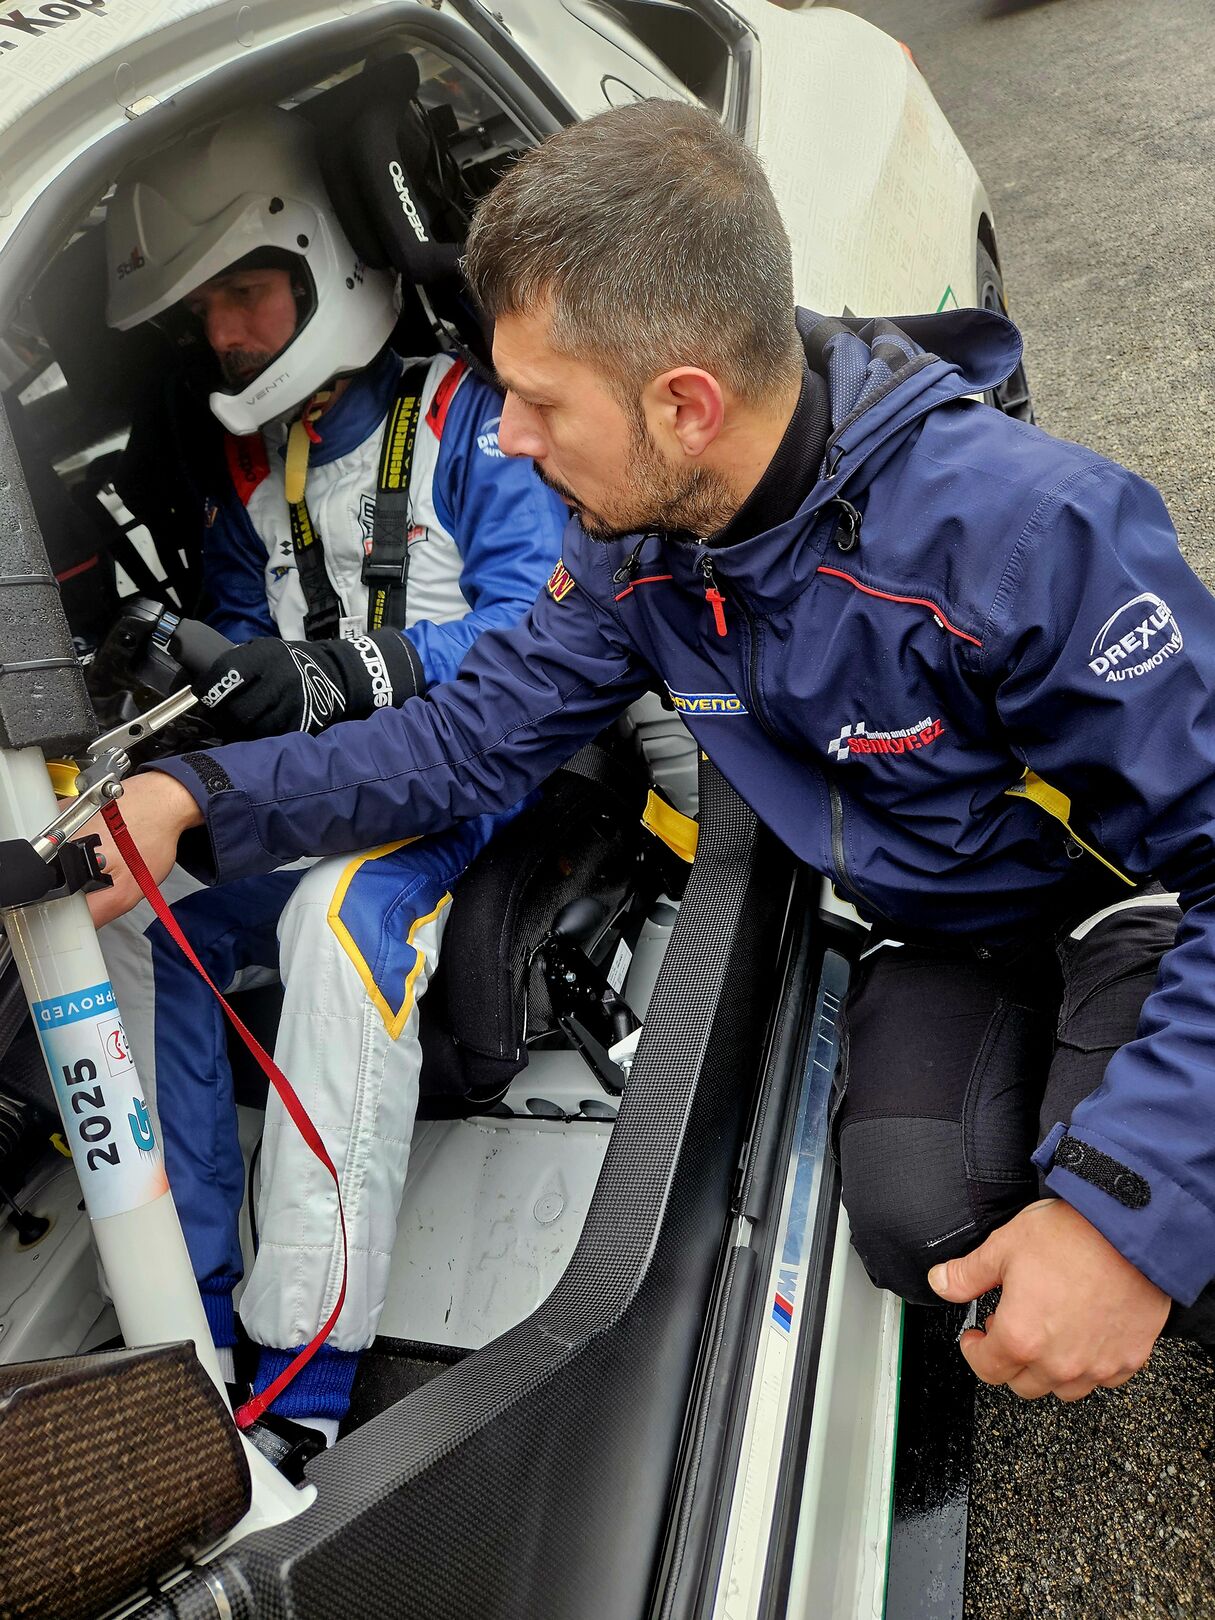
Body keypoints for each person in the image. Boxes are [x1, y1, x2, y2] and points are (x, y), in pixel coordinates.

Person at [91, 97, 1215, 1410]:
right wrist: (193, 796)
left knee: (1154, 1227)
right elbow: (462, 743)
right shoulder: (641, 547)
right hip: (949, 928)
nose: (511, 438)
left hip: (1132, 908)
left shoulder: (1033, 535)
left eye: (537, 403)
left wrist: (1124, 1215)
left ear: (685, 405)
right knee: (925, 1222)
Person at [99, 106, 567, 1439]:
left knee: (337, 916)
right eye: (206, 310)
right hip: (314, 786)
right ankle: (183, 1318)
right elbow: (243, 658)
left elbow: (536, 634)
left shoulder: (474, 418)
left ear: (326, 264)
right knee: (134, 911)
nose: (225, 335)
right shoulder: (244, 467)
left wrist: (338, 673)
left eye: (245, 294)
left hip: (469, 779)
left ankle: (304, 1383)